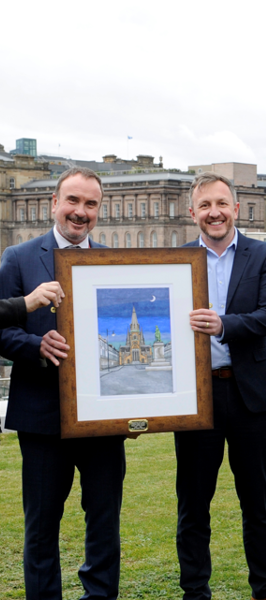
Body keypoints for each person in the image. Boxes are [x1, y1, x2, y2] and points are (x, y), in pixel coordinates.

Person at [0, 166, 127, 599]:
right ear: (54, 203)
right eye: (72, 201)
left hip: (103, 417)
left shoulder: (113, 261)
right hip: (41, 416)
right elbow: (1, 330)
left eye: (90, 204)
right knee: (41, 526)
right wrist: (35, 345)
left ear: (99, 210)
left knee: (105, 520)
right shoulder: (17, 258)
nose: (80, 212)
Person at [176, 172, 266, 600]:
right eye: (205, 205)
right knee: (193, 503)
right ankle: (195, 590)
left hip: (252, 396)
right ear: (193, 213)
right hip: (196, 396)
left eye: (221, 204)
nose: (214, 212)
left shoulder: (262, 255)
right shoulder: (175, 260)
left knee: (256, 501)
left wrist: (224, 324)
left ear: (236, 209)